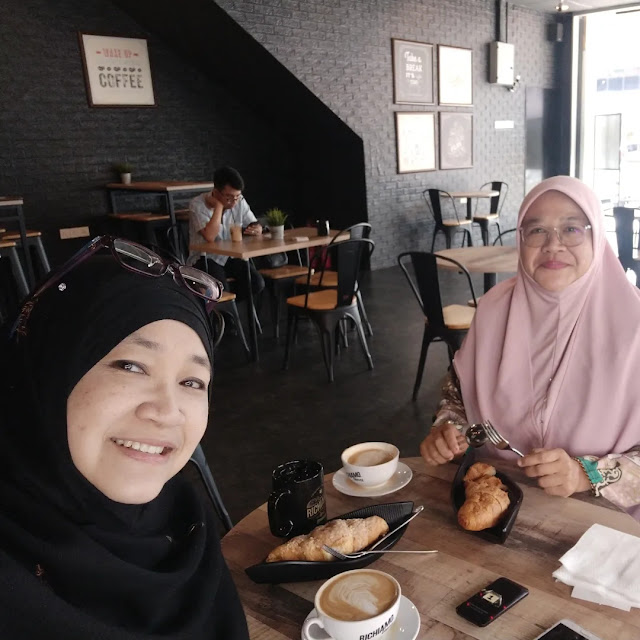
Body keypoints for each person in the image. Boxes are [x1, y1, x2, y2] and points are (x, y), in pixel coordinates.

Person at [0, 236, 250, 638]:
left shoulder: (183, 524)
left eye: (191, 381)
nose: (167, 411)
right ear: (49, 373)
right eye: (131, 366)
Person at [420, 176, 640, 518]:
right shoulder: (494, 310)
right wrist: (447, 431)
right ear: (520, 240)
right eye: (536, 230)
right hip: (495, 508)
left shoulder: (633, 324)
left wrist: (586, 474)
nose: (553, 245)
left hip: (602, 524)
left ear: (597, 237)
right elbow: (457, 398)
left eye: (571, 229)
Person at [188, 165, 264, 301]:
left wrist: (257, 228)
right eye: (229, 197)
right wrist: (219, 206)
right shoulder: (197, 204)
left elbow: (253, 222)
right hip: (205, 258)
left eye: (237, 197)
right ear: (216, 192)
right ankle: (225, 309)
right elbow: (210, 236)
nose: (234, 202)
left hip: (230, 256)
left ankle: (231, 309)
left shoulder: (239, 201)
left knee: (256, 283)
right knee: (221, 290)